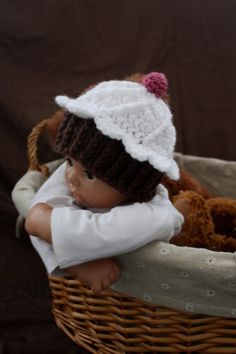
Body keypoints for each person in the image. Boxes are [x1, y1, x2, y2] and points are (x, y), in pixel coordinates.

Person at [25, 72, 184, 293]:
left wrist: (52, 229)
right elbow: (39, 211)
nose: (70, 176)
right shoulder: (76, 175)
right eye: (70, 161)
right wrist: (78, 262)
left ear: (127, 186)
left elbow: (88, 232)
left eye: (89, 175)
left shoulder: (154, 216)